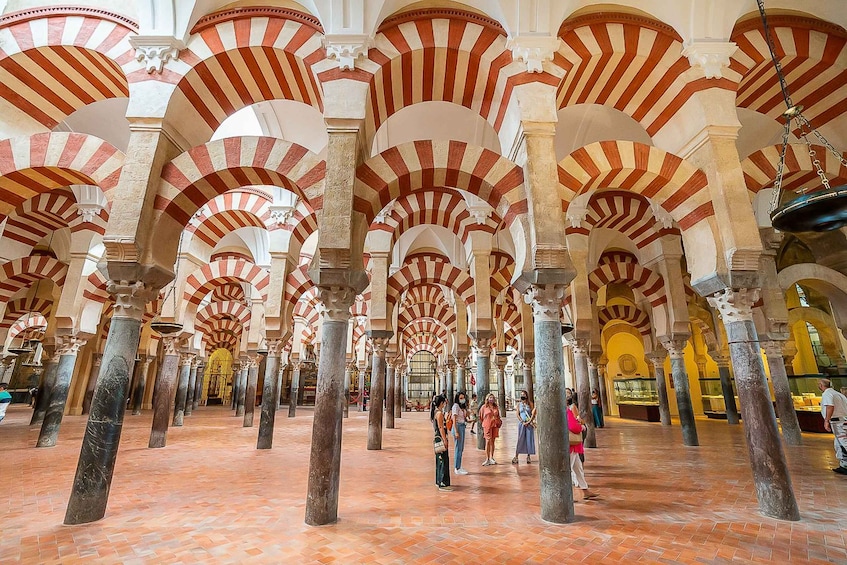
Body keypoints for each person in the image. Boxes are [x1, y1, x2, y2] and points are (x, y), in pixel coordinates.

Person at [567, 395, 598, 500]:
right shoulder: (567, 412)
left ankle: (585, 491)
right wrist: (581, 427)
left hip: (574, 447)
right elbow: (573, 426)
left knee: (578, 468)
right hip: (571, 446)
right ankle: (566, 496)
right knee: (568, 469)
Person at [818, 378, 847, 475]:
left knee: (843, 443)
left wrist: (826, 420)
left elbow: (830, 406)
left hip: (838, 422)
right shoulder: (838, 394)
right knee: (839, 444)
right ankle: (844, 465)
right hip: (842, 420)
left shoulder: (827, 394)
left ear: (821, 386)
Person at [430, 394, 453, 491]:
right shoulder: (439, 414)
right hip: (440, 437)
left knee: (439, 460)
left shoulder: (436, 412)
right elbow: (441, 427)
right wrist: (444, 439)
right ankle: (443, 483)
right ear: (442, 403)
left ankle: (438, 481)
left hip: (437, 437)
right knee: (443, 460)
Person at [512, 390, 536, 464]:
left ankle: (528, 456)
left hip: (529, 424)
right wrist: (522, 422)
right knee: (520, 439)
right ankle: (516, 456)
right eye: (521, 394)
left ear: (526, 396)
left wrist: (529, 421)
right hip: (522, 424)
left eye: (524, 394)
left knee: (529, 439)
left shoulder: (530, 404)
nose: (523, 396)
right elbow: (517, 414)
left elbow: (533, 413)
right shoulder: (519, 405)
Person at [479, 393, 501, 466]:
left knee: (493, 441)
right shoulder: (484, 407)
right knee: (488, 441)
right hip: (487, 425)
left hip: (494, 425)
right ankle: (487, 458)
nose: (491, 399)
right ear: (487, 399)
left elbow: (498, 416)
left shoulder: (496, 407)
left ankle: (492, 457)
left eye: (492, 398)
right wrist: (486, 422)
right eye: (490, 398)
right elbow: (481, 417)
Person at [451, 392, 469, 475]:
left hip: (462, 426)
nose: (462, 399)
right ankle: (456, 467)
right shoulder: (455, 406)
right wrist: (456, 431)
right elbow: (454, 419)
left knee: (461, 448)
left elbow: (465, 417)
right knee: (458, 448)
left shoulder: (462, 407)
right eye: (461, 398)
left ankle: (459, 465)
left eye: (463, 398)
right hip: (457, 426)